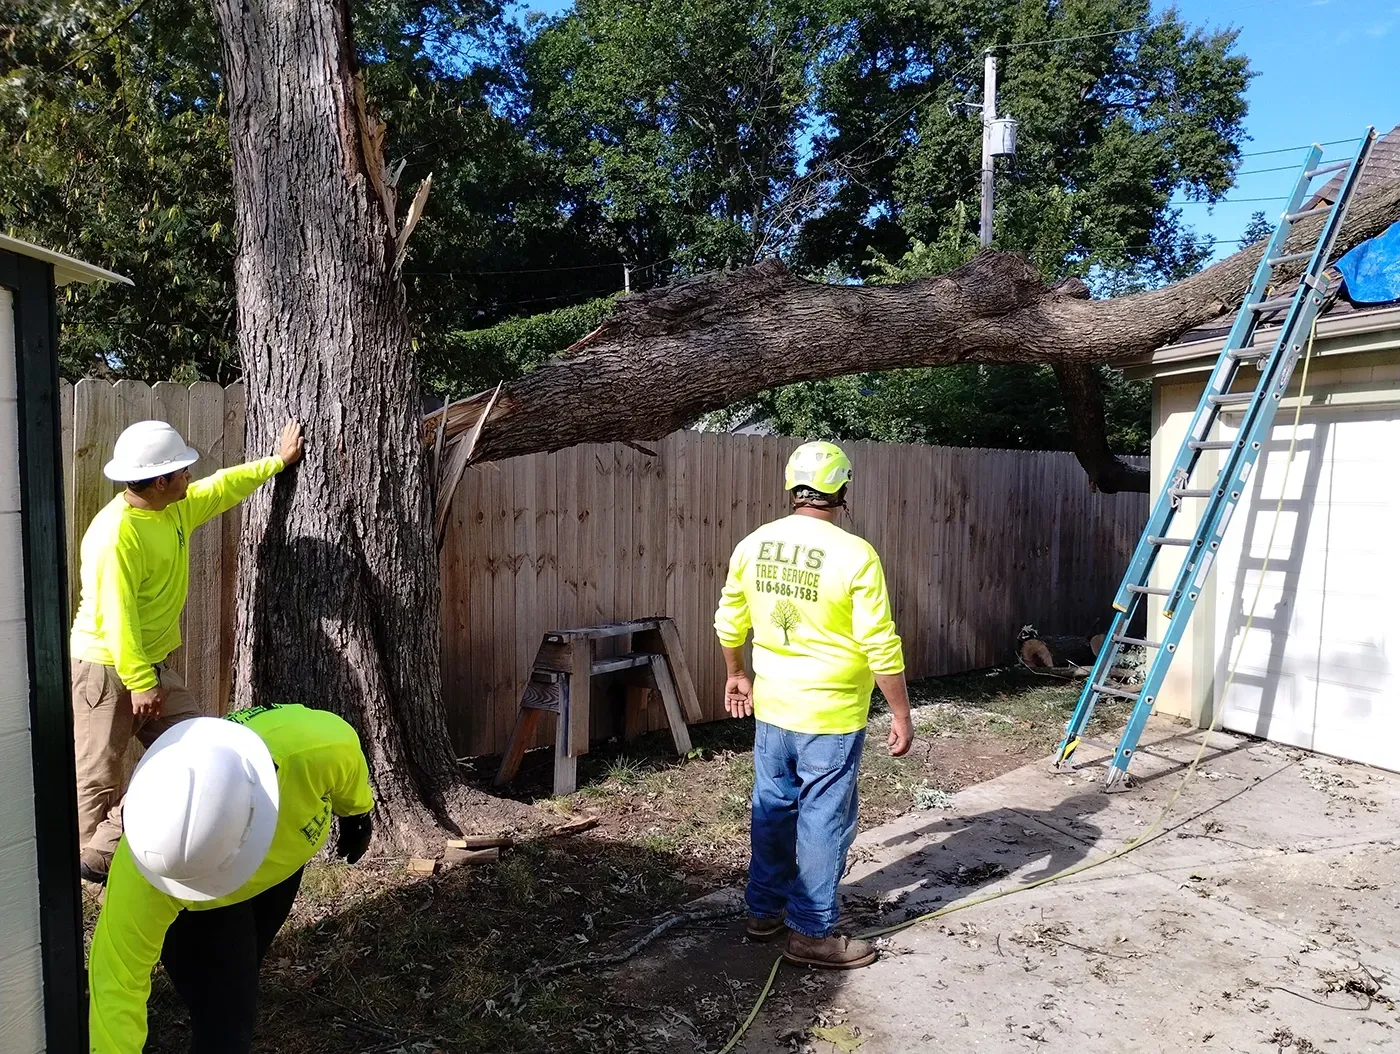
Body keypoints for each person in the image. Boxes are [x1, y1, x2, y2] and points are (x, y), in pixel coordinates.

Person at [70, 417, 304, 883]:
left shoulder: (172, 508)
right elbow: (118, 619)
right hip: (105, 666)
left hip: (149, 665)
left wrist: (278, 462)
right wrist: (139, 683)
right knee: (99, 771)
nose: (189, 478)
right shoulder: (116, 535)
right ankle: (88, 870)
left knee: (200, 747)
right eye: (182, 472)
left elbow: (221, 487)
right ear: (160, 480)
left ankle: (119, 847)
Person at [713, 440, 914, 969]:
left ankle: (764, 912)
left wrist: (737, 673)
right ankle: (812, 932)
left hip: (774, 709)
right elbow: (880, 642)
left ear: (792, 488)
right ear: (842, 490)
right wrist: (900, 712)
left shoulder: (755, 543)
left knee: (774, 808)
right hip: (830, 715)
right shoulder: (855, 554)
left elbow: (730, 620)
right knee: (823, 819)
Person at [87, 703, 375, 1054]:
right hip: (200, 914)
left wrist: (357, 813)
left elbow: (347, 767)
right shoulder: (146, 868)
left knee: (246, 962)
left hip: (279, 873)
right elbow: (116, 985)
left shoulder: (318, 746)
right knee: (226, 1022)